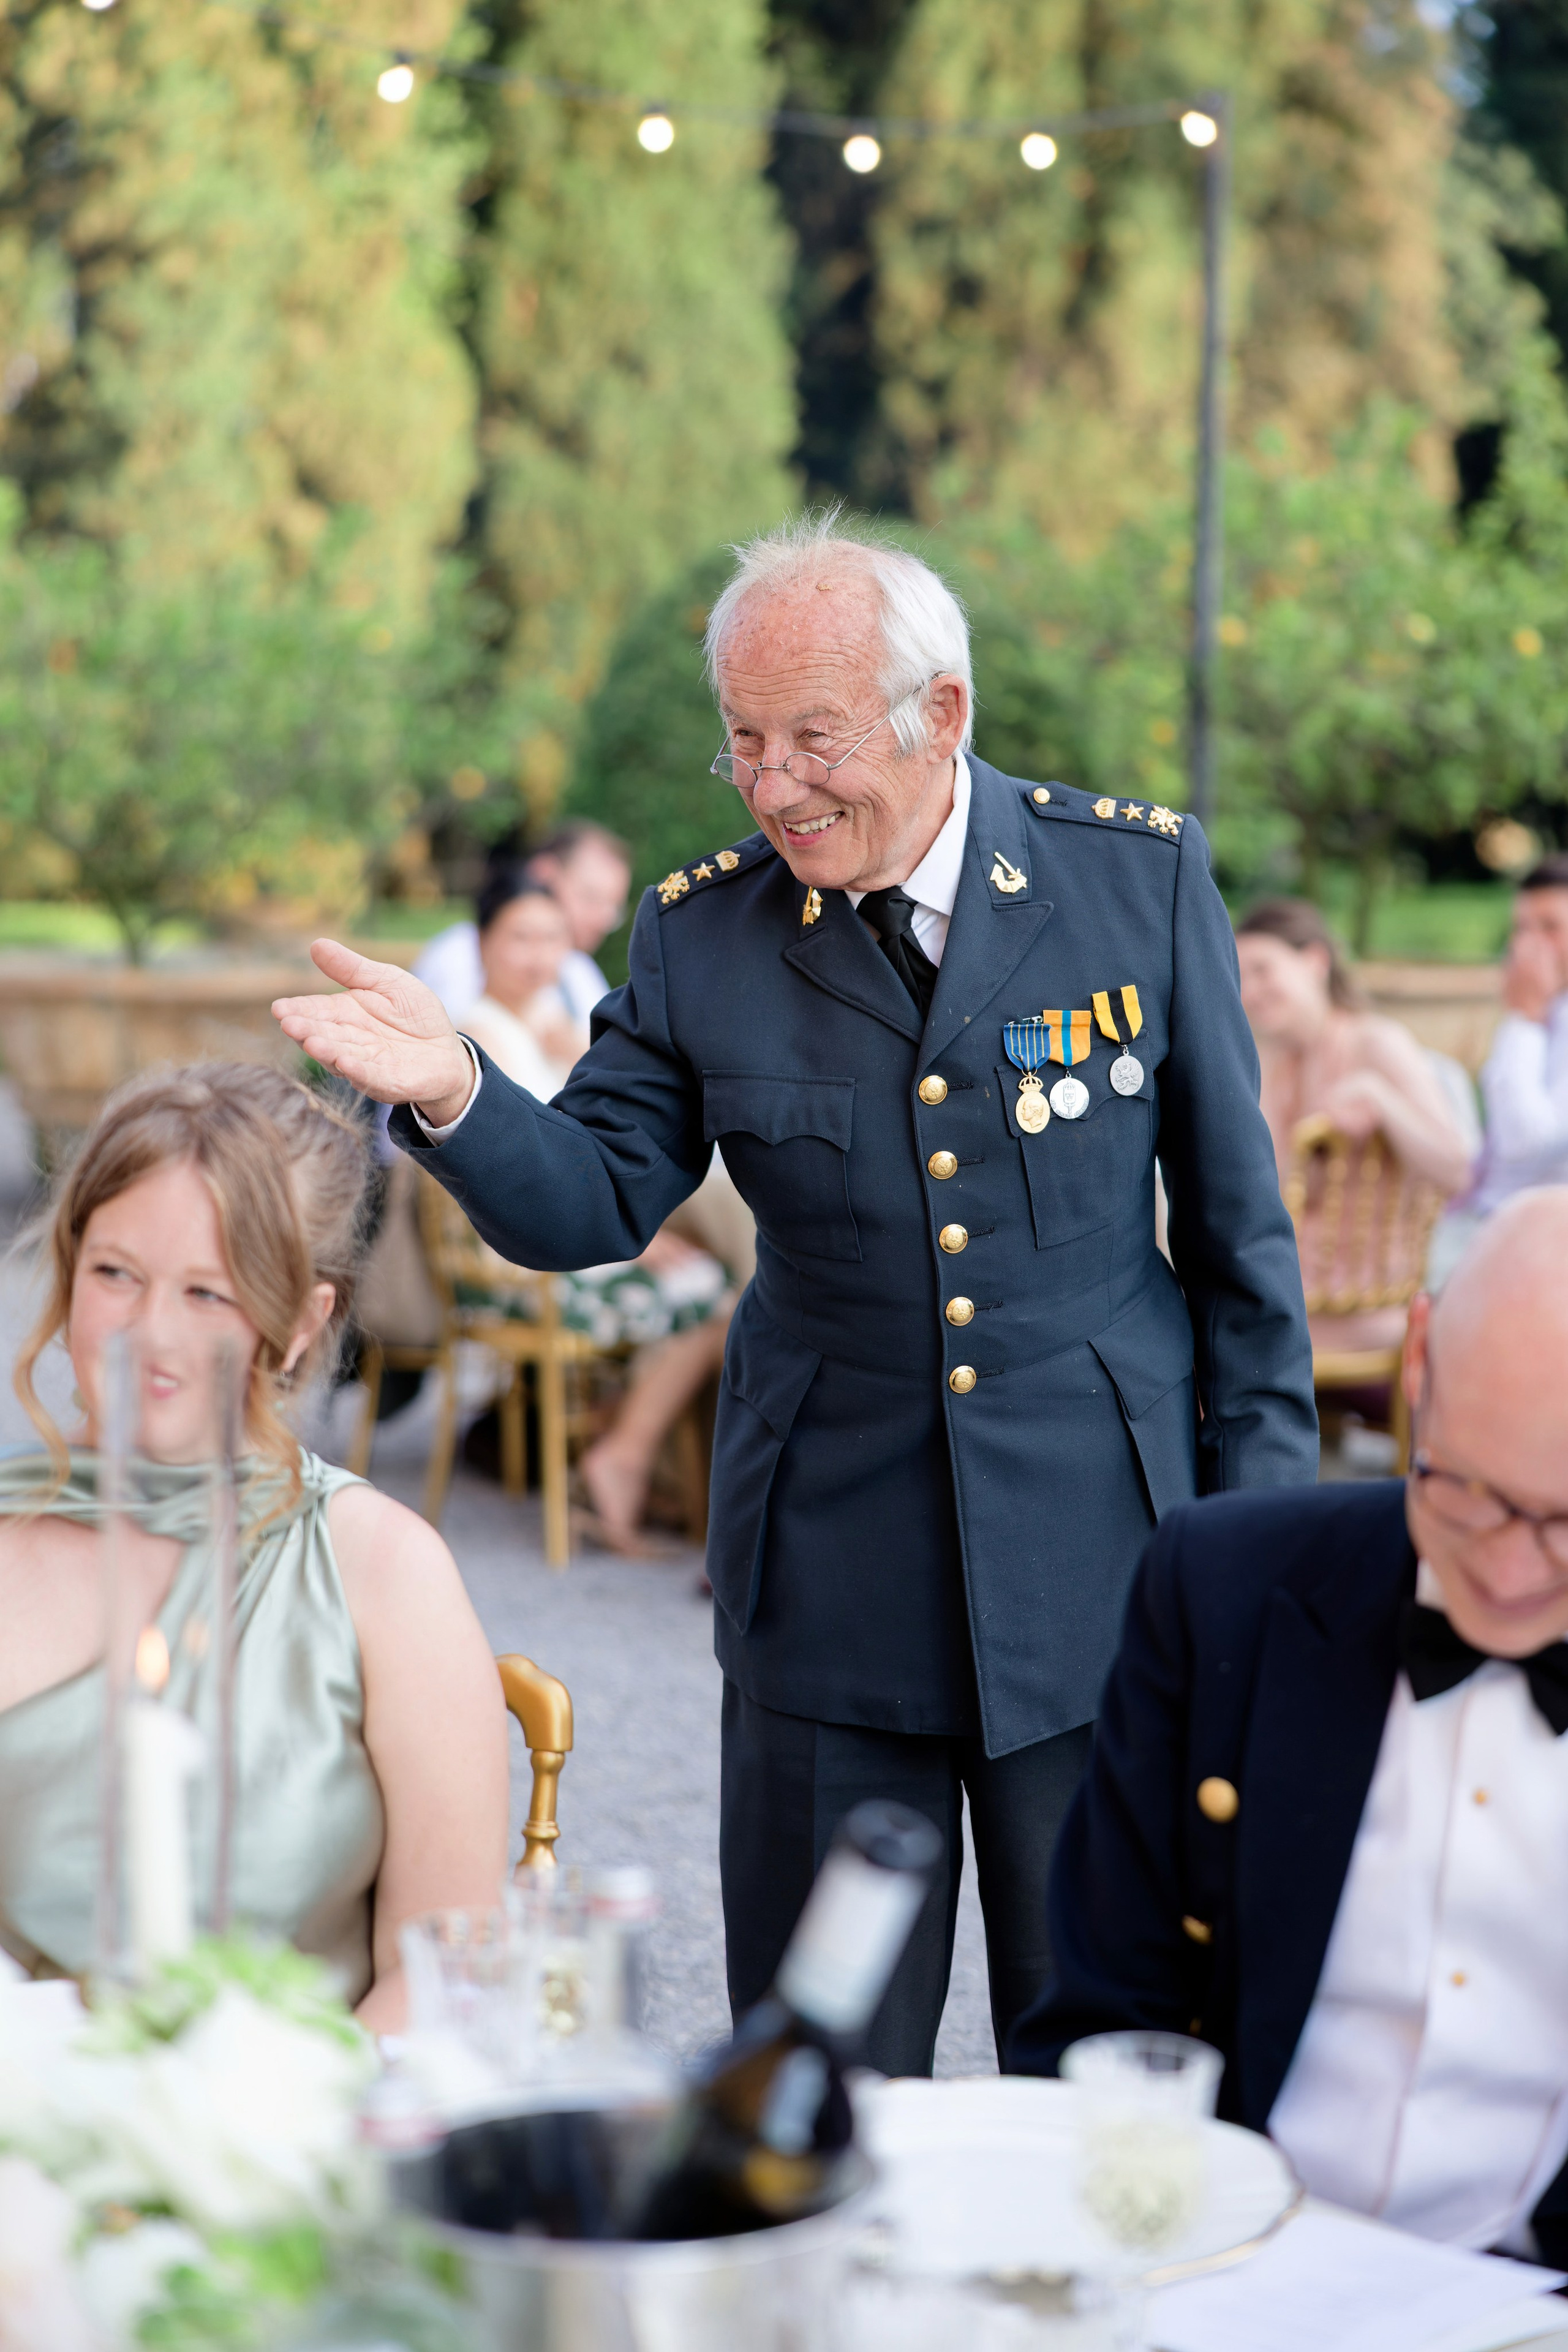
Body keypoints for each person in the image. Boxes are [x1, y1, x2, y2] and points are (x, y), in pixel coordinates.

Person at [273, 511, 1317, 2076]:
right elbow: (592, 1199)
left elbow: (1243, 1267)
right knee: (817, 2078)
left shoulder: (1131, 887)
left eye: (809, 738)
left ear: (937, 714)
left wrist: (1257, 1598)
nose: (771, 785)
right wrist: (459, 1092)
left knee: (1109, 2065)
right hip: (829, 1584)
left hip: (1099, 1580)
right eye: (742, 744)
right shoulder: (705, 935)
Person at [1009, 1187, 1568, 2259]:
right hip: (1230, 2272)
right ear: (1418, 1369)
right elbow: (1103, 2020)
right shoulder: (1222, 1589)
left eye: (1562, 1522)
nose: (1504, 1571)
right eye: (1467, 1490)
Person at [0, 1065, 508, 2029]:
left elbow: (446, 1965)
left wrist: (261, 2160)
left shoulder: (383, 1575)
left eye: (209, 1292)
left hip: (295, 2146)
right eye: (115, 1275)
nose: (148, 1335)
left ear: (300, 1324)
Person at [459, 869, 734, 1553]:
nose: (537, 955)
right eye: (519, 936)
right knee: (721, 1295)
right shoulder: (475, 1031)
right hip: (522, 1250)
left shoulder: (553, 1025)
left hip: (576, 1229)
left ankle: (625, 1444)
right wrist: (635, 1241)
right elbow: (523, 1168)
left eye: (551, 939)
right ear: (483, 943)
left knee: (717, 1282)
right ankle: (625, 1456)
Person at [1235, 897, 1472, 1354]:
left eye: (1263, 969)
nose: (1250, 990)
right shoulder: (1269, 1063)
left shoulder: (1375, 1042)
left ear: (1316, 961)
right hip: (1297, 1293)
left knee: (1217, 1346)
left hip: (1371, 1303)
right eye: (1240, 975)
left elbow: (1457, 1170)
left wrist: (1381, 1100)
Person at [1439, 855, 1568, 1264]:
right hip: (1483, 1223)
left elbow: (1524, 1143)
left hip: (1536, 1244)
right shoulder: (1544, 1011)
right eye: (1522, 928)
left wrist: (1524, 1018)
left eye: (1550, 928)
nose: (1528, 945)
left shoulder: (1529, 1016)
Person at [413, 821, 633, 1027]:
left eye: (614, 907)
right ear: (544, 874)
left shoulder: (580, 969)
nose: (603, 920)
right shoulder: (459, 957)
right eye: (591, 897)